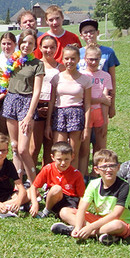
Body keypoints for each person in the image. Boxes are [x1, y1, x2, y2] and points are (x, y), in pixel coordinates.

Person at [52, 149, 130, 245]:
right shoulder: (94, 184)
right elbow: (82, 208)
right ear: (96, 170)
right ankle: (91, 232)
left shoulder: (124, 186)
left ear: (118, 167)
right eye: (104, 167)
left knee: (117, 225)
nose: (108, 170)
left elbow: (116, 215)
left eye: (112, 166)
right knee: (65, 211)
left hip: (120, 222)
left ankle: (79, 232)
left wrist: (90, 227)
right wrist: (79, 226)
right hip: (100, 219)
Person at [0, 28, 44, 183]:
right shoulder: (13, 61)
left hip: (26, 103)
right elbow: (8, 81)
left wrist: (30, 115)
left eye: (30, 43)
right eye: (24, 42)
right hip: (11, 100)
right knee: (15, 147)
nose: (26, 45)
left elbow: (37, 91)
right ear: (19, 44)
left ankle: (34, 182)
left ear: (34, 46)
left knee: (24, 149)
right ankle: (19, 182)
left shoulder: (38, 64)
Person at [47, 44, 92, 172]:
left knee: (73, 152)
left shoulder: (85, 80)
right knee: (58, 151)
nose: (69, 62)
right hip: (60, 113)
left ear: (78, 59)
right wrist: (48, 125)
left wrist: (86, 128)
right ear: (62, 59)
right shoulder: (57, 78)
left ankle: (73, 182)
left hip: (76, 114)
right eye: (66, 58)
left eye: (72, 58)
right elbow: (51, 102)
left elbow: (88, 104)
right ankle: (56, 180)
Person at [28, 141, 85, 218]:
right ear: (52, 157)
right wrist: (35, 203)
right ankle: (46, 211)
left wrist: (81, 210)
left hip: (70, 200)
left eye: (66, 159)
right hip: (53, 198)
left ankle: (72, 224)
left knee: (66, 214)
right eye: (59, 159)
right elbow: (33, 187)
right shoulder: (48, 169)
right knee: (56, 188)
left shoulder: (76, 174)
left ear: (72, 157)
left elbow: (82, 196)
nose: (63, 163)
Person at [77, 19, 120, 122]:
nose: (89, 35)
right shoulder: (78, 53)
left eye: (92, 31)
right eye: (85, 32)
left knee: (101, 132)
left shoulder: (108, 52)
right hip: (82, 99)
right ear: (81, 35)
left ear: (97, 33)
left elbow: (112, 79)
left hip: (102, 100)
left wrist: (112, 104)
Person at [80, 45, 113, 177]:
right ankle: (83, 174)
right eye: (90, 59)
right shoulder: (81, 75)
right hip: (86, 114)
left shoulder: (105, 76)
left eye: (96, 59)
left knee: (100, 148)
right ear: (85, 59)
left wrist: (105, 121)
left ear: (100, 60)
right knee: (85, 147)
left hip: (100, 114)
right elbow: (83, 99)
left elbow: (106, 100)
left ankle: (96, 175)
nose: (93, 62)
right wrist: (101, 100)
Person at [35, 35, 60, 166]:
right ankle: (31, 176)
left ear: (56, 48)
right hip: (37, 107)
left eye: (52, 47)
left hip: (54, 108)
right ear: (40, 48)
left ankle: (47, 176)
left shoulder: (60, 67)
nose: (48, 50)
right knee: (34, 146)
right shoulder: (35, 64)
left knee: (49, 146)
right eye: (45, 47)